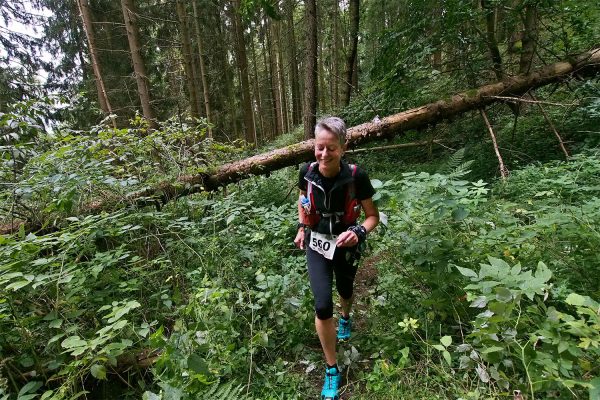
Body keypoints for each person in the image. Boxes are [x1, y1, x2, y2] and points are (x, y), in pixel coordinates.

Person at [294, 117, 379, 399]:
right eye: (320, 147)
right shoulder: (306, 172)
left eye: (331, 148)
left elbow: (372, 217)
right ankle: (331, 368)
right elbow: (302, 201)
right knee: (321, 304)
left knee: (345, 289)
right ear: (313, 146)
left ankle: (346, 317)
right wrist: (302, 227)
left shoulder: (356, 176)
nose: (324, 154)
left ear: (344, 147)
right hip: (317, 244)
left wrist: (358, 232)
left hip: (345, 243)